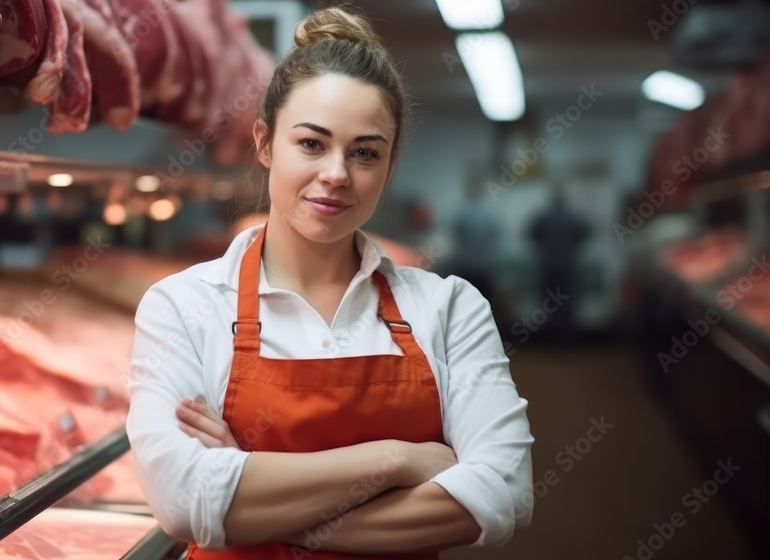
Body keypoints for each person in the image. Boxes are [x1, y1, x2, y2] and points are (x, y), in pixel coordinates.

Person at [126, 7, 534, 558]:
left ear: (389, 166)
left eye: (365, 152)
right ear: (265, 145)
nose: (337, 174)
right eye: (312, 144)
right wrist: (396, 460)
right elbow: (182, 503)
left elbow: (503, 494)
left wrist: (249, 502)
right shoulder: (182, 306)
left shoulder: (450, 308)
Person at [528, 184, 591, 344]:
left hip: (548, 265)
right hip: (567, 266)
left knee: (548, 303)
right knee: (567, 303)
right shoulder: (572, 217)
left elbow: (531, 234)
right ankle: (566, 340)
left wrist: (544, 248)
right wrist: (572, 249)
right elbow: (584, 234)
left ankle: (549, 339)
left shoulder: (544, 217)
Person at [451, 178, 500, 302]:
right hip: (484, 268)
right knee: (487, 304)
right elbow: (494, 238)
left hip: (468, 268)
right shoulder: (489, 215)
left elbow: (457, 238)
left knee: (467, 304)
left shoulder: (462, 215)